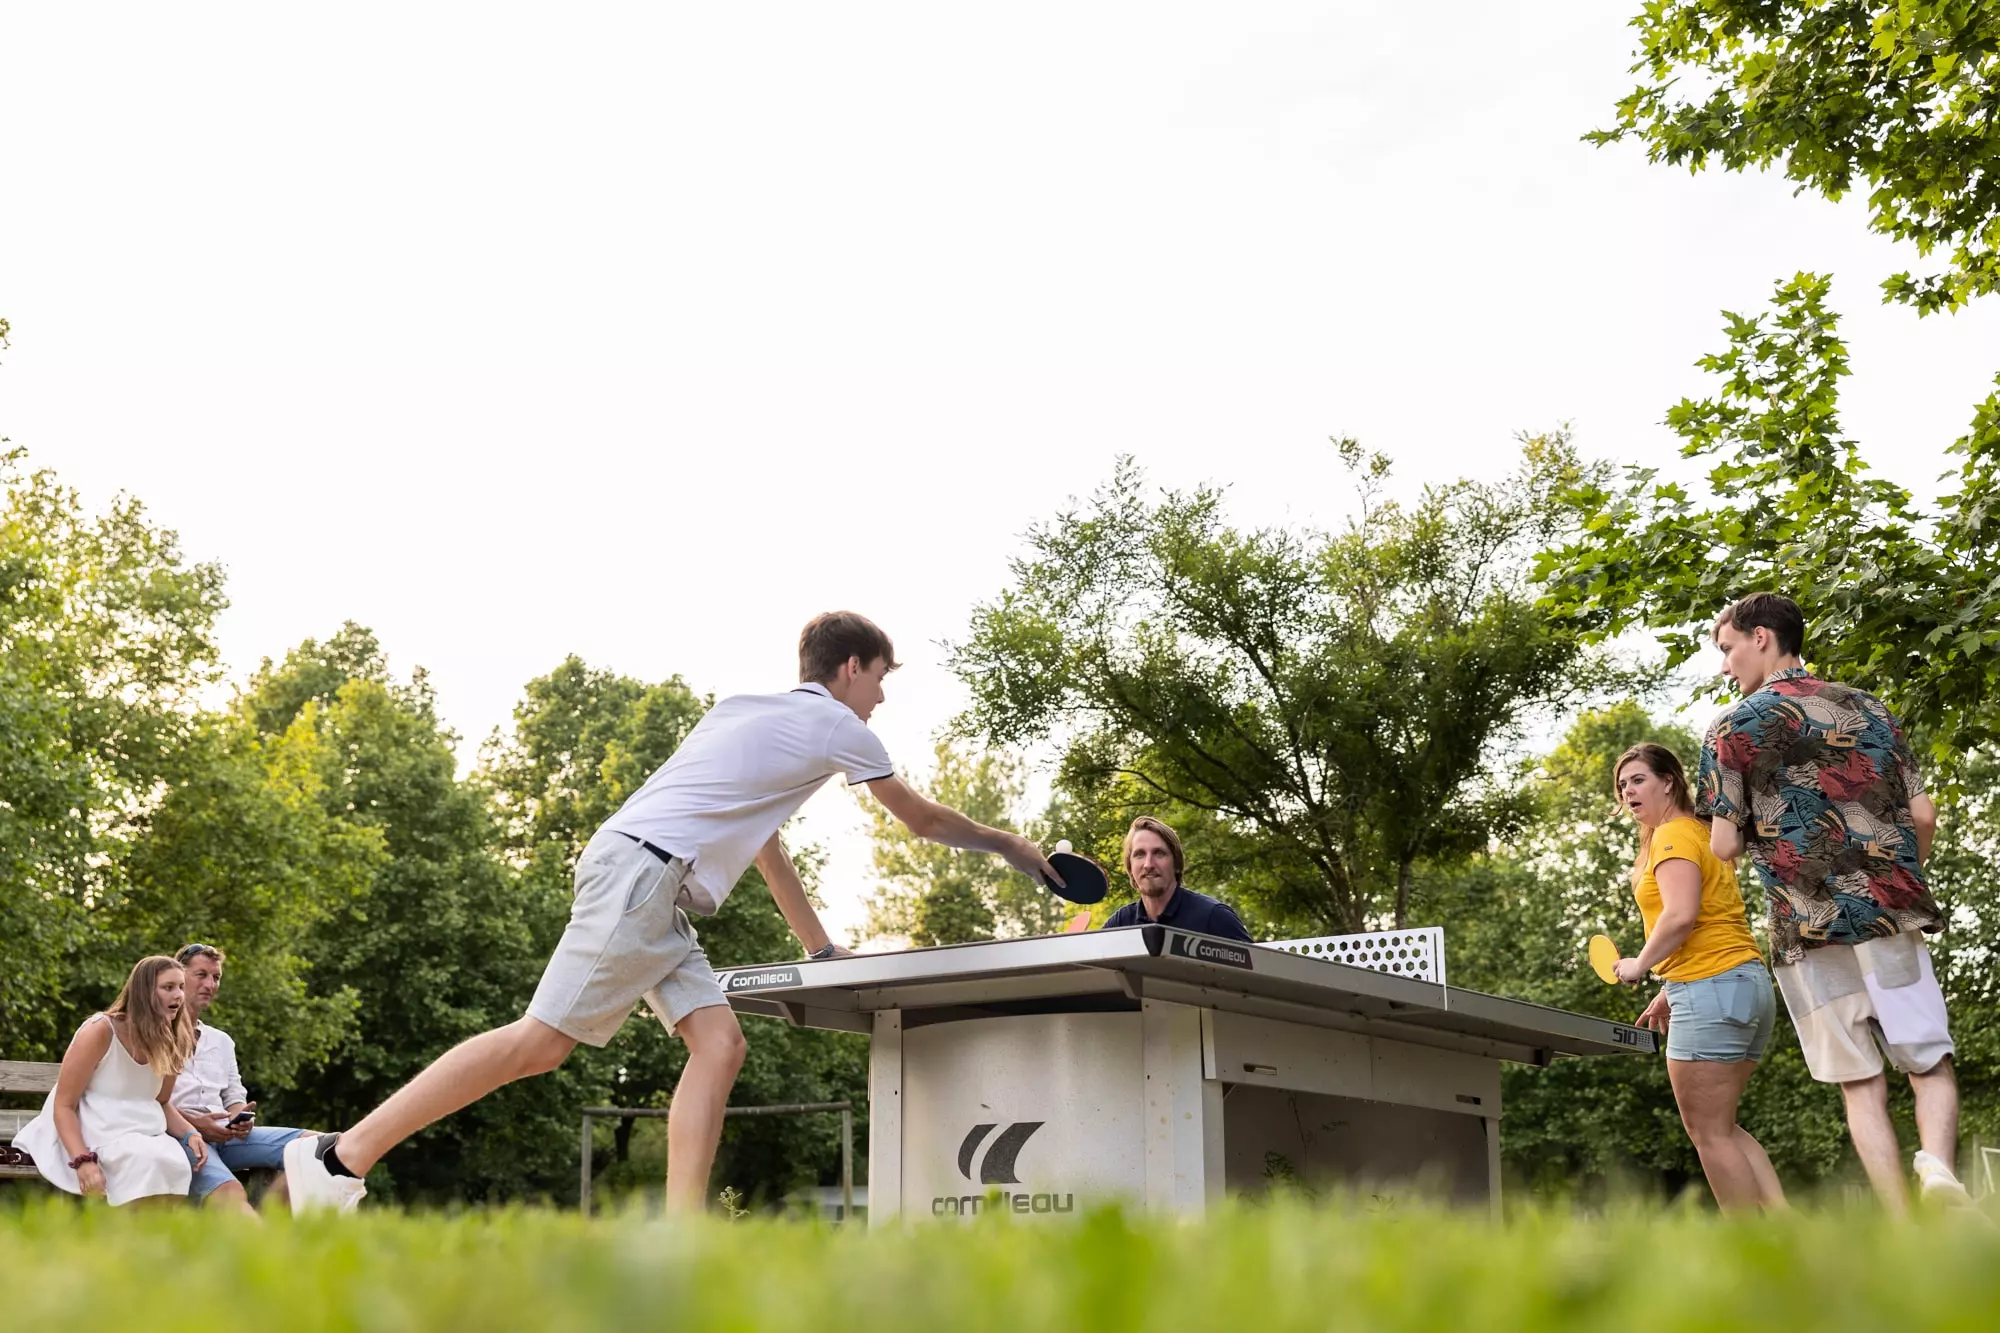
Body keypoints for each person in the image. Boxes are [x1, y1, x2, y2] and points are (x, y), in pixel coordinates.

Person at [284, 611, 1057, 1214]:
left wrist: (820, 949)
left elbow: (765, 848)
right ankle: (341, 1157)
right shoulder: (838, 726)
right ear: (851, 667)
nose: (882, 696)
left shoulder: (744, 711)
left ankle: (685, 1235)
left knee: (719, 1045)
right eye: (881, 677)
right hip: (645, 877)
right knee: (539, 1043)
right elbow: (920, 819)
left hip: (650, 880)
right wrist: (1013, 846)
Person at [1698, 591, 1969, 1212]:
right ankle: (1940, 1174)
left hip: (1806, 927)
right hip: (1888, 914)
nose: (1725, 666)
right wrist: (1895, 874)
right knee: (1928, 1060)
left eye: (1728, 649)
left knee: (1859, 1081)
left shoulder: (1730, 728)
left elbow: (1723, 845)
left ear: (1761, 637)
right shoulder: (1868, 708)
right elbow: (1923, 815)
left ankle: (1901, 1224)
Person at [1609, 743, 1785, 1212]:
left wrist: (1640, 965)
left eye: (1639, 780)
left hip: (1711, 989)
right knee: (1722, 1127)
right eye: (1623, 785)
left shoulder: (1671, 836)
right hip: (1747, 985)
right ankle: (1787, 1228)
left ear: (1669, 781)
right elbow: (1712, 920)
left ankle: (1749, 1245)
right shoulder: (1699, 832)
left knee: (1709, 1133)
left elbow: (1681, 915)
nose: (1628, 792)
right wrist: (1671, 987)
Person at [14, 955, 207, 1205]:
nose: (178, 995)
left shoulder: (174, 1039)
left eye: (181, 987)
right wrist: (82, 1160)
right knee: (146, 1161)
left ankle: (152, 1229)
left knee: (174, 1162)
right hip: (95, 1131)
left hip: (145, 1133)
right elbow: (63, 1105)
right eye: (168, 987)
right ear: (144, 992)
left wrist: (191, 1133)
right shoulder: (100, 1030)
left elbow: (161, 1102)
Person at [170, 943, 313, 1215]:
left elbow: (234, 1095)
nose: (210, 984)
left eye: (216, 977)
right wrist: (196, 1125)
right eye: (201, 975)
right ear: (179, 976)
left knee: (322, 1148)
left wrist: (240, 1119)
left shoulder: (221, 1041)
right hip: (180, 1137)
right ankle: (257, 1235)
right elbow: (148, 1100)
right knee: (230, 1192)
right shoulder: (155, 1033)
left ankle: (272, 1221)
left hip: (227, 1136)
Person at [1098, 816, 1252, 941]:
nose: (1148, 864)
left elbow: (1257, 968)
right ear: (1130, 867)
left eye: (1159, 853)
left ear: (1176, 864)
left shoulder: (1214, 917)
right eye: (1140, 854)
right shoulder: (1120, 924)